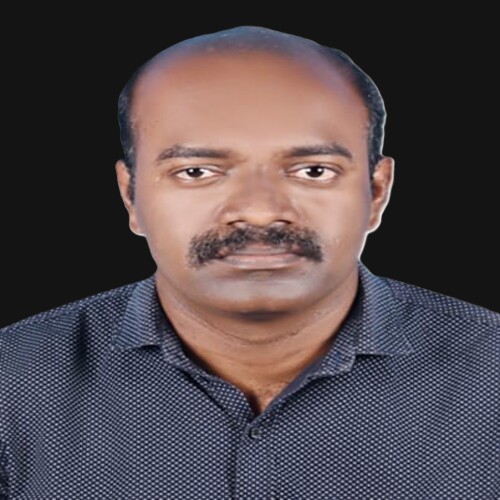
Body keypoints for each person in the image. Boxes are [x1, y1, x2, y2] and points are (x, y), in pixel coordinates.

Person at [0, 25, 497, 499]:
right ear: (131, 196)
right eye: (197, 171)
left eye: (313, 170)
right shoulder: (13, 381)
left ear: (377, 193)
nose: (259, 210)